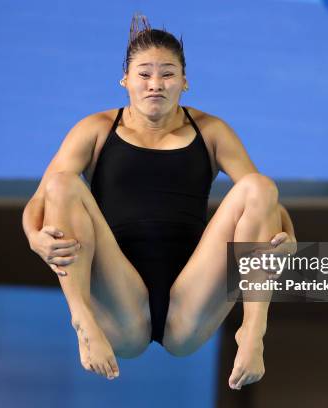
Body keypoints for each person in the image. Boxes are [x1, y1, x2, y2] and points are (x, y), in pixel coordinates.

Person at [22, 14, 297, 390]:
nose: (155, 84)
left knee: (258, 185)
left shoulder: (212, 131)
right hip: (121, 303)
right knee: (61, 183)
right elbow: (40, 201)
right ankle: (82, 320)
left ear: (184, 81)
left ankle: (253, 331)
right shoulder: (96, 129)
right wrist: (35, 239)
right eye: (144, 74)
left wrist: (290, 236)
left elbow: (268, 204)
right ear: (125, 80)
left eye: (167, 74)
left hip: (190, 304)